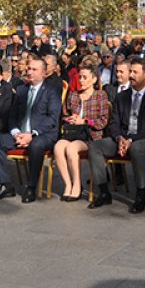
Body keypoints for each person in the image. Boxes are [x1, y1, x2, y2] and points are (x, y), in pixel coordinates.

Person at [87, 57, 145, 213]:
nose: (131, 75)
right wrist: (119, 138)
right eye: (130, 71)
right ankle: (104, 192)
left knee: (136, 148)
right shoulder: (121, 96)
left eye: (135, 72)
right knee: (95, 147)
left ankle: (141, 195)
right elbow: (114, 123)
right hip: (122, 138)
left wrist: (130, 140)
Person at [0, 57, 62, 203]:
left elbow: (52, 118)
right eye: (29, 68)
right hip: (20, 134)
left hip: (43, 134)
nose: (30, 72)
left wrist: (32, 134)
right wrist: (15, 133)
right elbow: (12, 115)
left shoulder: (52, 90)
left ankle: (31, 186)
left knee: (36, 145)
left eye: (34, 69)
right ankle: (6, 184)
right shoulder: (21, 90)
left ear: (44, 73)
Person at [52, 65, 110, 201]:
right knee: (58, 147)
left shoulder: (100, 95)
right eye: (80, 77)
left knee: (72, 149)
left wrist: (84, 121)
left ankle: (77, 185)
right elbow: (64, 115)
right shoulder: (73, 95)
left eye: (85, 77)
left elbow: (103, 122)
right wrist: (70, 119)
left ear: (94, 79)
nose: (81, 80)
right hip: (73, 132)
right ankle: (68, 184)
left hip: (91, 135)